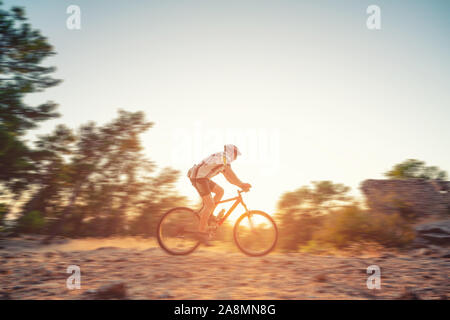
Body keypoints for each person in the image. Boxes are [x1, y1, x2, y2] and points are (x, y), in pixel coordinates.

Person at [187, 144, 251, 244]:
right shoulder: (225, 157)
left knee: (220, 191)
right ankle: (201, 233)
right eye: (235, 155)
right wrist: (242, 184)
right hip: (198, 177)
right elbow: (230, 172)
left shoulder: (223, 161)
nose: (236, 158)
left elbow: (229, 178)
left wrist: (240, 185)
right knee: (210, 204)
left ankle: (209, 214)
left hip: (202, 177)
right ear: (232, 153)